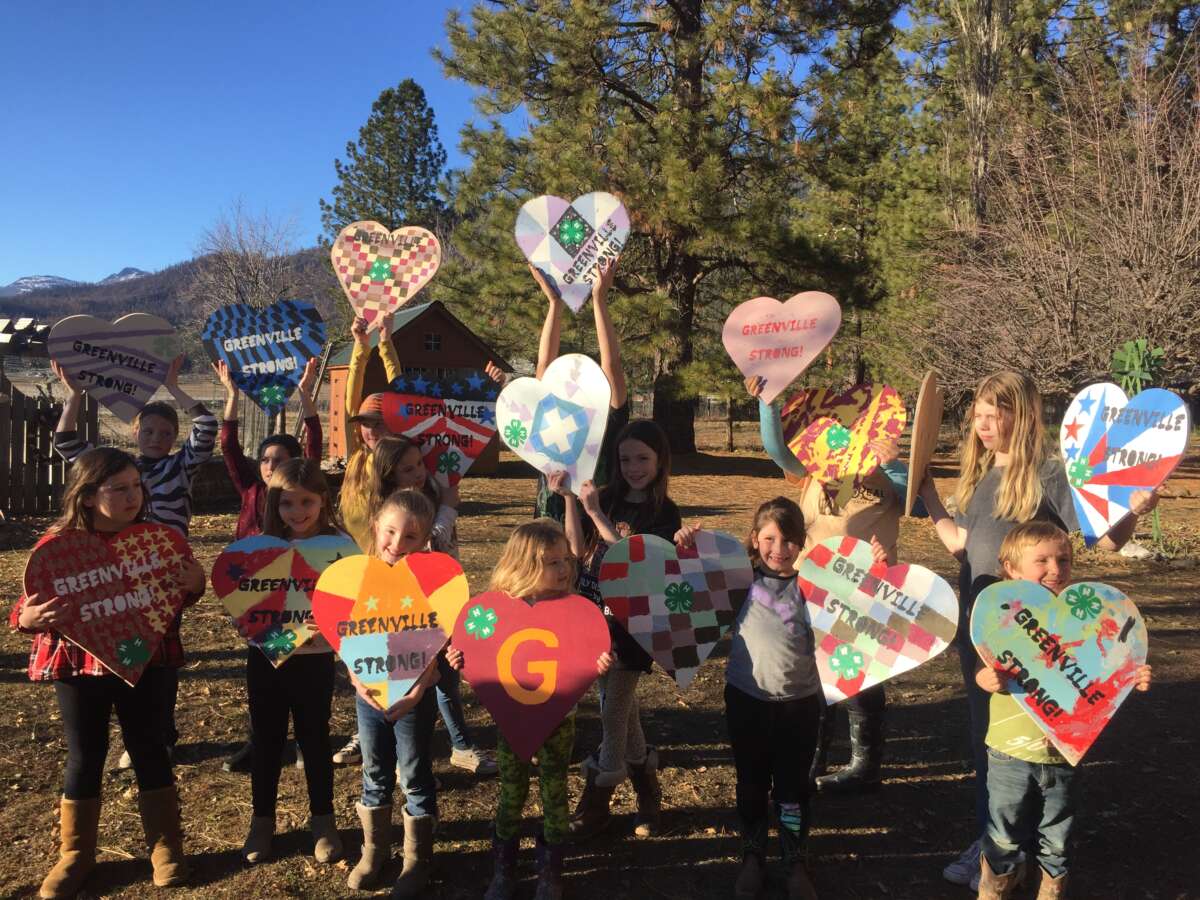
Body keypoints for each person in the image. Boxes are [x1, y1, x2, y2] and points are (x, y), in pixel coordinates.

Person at [915, 371, 1158, 889]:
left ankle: (1022, 848)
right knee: (990, 740)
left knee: (1034, 745)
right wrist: (927, 492)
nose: (981, 424)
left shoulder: (1049, 476)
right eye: (976, 414)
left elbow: (1106, 542)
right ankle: (997, 844)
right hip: (981, 633)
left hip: (1033, 639)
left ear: (1019, 415)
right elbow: (961, 544)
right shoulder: (980, 475)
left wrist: (1131, 513)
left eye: (992, 414)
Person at [10, 447, 204, 897]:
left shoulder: (159, 540)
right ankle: (75, 854)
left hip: (147, 658)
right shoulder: (57, 544)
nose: (132, 496)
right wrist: (25, 619)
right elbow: (31, 599)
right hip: (78, 662)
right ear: (87, 493)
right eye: (119, 488)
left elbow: (176, 592)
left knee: (150, 746)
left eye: (137, 486)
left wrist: (194, 587)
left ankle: (166, 847)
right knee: (85, 753)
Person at [753, 374, 923, 794]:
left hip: (868, 589)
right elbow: (778, 449)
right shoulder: (813, 469)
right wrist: (768, 403)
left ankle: (865, 764)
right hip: (813, 586)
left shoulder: (886, 475)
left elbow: (915, 500)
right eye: (840, 426)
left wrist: (893, 462)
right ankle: (813, 759)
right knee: (814, 675)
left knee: (862, 677)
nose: (849, 434)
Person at [51, 356, 217, 769]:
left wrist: (175, 386)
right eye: (149, 430)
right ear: (135, 430)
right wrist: (74, 395)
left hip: (168, 575)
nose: (156, 437)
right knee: (125, 646)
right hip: (118, 572)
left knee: (161, 656)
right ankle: (135, 734)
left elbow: (207, 427)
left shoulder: (181, 466)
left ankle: (160, 735)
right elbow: (67, 443)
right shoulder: (120, 468)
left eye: (165, 432)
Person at [974, 521, 1153, 899]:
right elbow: (986, 668)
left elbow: (1103, 674)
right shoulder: (1001, 616)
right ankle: (996, 887)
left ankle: (1050, 890)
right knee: (1002, 833)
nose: (1055, 569)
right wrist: (985, 680)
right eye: (1042, 560)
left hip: (1065, 753)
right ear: (1010, 567)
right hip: (1009, 752)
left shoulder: (1086, 621)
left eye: (1064, 559)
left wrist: (1131, 675)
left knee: (1058, 835)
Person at [474, 519, 614, 900]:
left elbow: (586, 655)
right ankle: (503, 872)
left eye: (566, 559)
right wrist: (460, 656)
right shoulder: (499, 610)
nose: (565, 569)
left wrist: (597, 664)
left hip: (559, 723)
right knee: (511, 795)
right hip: (513, 722)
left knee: (556, 794)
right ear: (524, 565)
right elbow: (478, 649)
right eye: (552, 562)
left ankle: (550, 873)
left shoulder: (578, 611)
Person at [560, 420, 681, 839]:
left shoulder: (664, 511)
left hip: (635, 625)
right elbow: (576, 550)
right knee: (623, 711)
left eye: (642, 458)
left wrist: (594, 510)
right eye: (625, 458)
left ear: (660, 461)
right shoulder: (606, 497)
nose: (633, 467)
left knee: (612, 712)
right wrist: (571, 502)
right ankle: (649, 795)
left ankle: (596, 802)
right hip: (595, 617)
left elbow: (637, 561)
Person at [357, 435, 498, 777]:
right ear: (389, 476)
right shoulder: (397, 508)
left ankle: (459, 745)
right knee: (420, 678)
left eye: (420, 463)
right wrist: (449, 507)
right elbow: (428, 548)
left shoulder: (431, 491)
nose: (418, 472)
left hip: (443, 600)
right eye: (407, 469)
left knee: (446, 676)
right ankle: (385, 746)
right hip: (411, 609)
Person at [347, 488, 460, 895]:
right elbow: (347, 634)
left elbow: (440, 637)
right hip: (368, 695)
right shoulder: (356, 576)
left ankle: (417, 859)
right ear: (376, 527)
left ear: (427, 537)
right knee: (374, 771)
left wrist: (421, 686)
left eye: (411, 537)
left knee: (413, 772)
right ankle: (374, 851)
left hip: (415, 694)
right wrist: (358, 682)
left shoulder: (433, 581)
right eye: (390, 532)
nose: (397, 544)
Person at [213, 357, 323, 774]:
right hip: (256, 591)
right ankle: (262, 743)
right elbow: (227, 447)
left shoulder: (299, 499)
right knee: (263, 673)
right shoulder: (251, 490)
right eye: (266, 460)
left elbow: (313, 443)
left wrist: (306, 395)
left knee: (300, 666)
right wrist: (231, 396)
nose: (271, 466)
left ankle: (300, 741)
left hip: (297, 589)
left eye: (280, 459)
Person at [240, 460, 345, 866]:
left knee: (315, 739)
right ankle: (261, 822)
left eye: (307, 501)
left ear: (323, 500)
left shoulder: (340, 546)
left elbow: (354, 604)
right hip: (266, 659)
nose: (297, 512)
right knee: (265, 741)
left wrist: (334, 627)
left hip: (315, 660)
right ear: (273, 504)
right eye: (287, 504)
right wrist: (243, 620)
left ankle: (324, 821)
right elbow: (245, 598)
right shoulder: (257, 547)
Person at [526, 260, 629, 521]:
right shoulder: (549, 418)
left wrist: (599, 299)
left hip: (597, 533)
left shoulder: (609, 422)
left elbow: (612, 364)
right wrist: (554, 305)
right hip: (549, 535)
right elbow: (544, 364)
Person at [339, 311, 401, 550]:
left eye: (379, 422)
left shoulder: (398, 458)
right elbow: (350, 401)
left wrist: (386, 343)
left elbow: (401, 396)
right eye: (366, 422)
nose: (372, 430)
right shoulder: (357, 454)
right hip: (354, 560)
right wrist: (360, 346)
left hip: (390, 559)